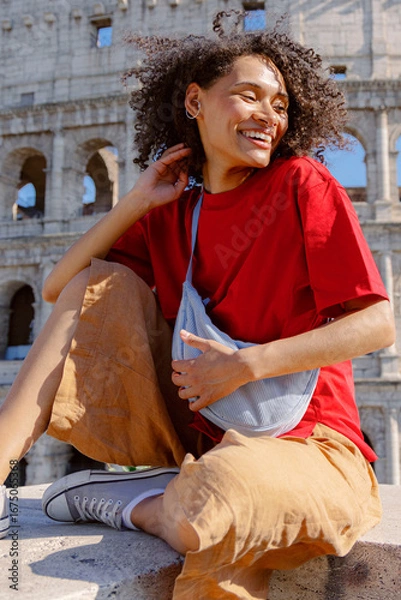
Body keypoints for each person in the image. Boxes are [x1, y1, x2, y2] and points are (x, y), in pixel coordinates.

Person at [0, 10, 396, 599]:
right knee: (96, 284)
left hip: (312, 445)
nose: (269, 115)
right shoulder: (172, 212)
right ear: (194, 101)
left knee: (212, 502)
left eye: (281, 104)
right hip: (200, 433)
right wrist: (136, 199)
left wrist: (247, 365)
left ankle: (148, 503)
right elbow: (63, 291)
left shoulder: (302, 184)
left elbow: (379, 323)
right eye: (248, 96)